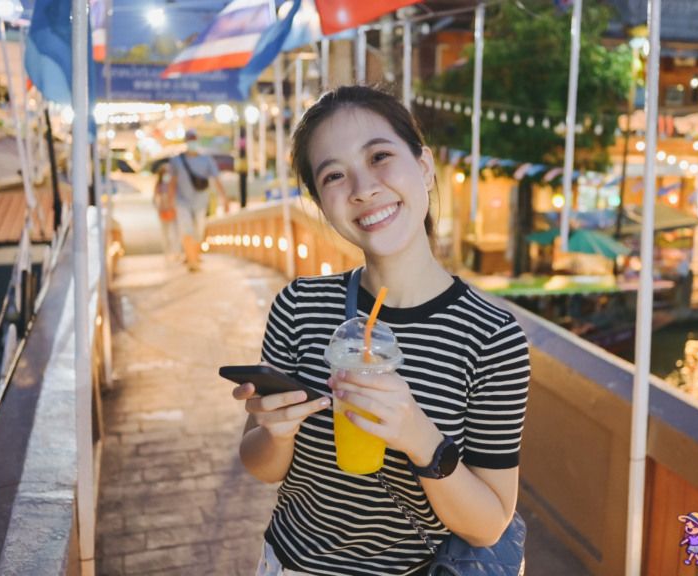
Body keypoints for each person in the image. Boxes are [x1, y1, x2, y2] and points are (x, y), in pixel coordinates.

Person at [232, 85, 530, 576]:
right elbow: (261, 464)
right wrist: (276, 433)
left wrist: (420, 438)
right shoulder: (300, 305)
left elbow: (489, 525)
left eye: (380, 156)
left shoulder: (491, 337)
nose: (363, 187)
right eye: (333, 175)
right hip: (292, 564)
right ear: (321, 204)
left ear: (425, 166)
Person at [168, 130, 231, 270]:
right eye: (190, 139)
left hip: (201, 202)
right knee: (186, 230)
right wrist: (169, 202)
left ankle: (194, 256)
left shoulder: (206, 160)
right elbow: (172, 182)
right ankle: (192, 261)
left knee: (199, 232)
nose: (192, 141)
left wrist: (225, 199)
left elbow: (217, 179)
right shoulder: (176, 160)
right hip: (182, 201)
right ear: (186, 141)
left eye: (194, 138)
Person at [152, 164, 180, 260]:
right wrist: (160, 208)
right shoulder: (159, 186)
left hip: (173, 210)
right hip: (163, 211)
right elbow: (155, 199)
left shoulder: (173, 185)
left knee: (176, 232)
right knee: (165, 233)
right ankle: (167, 252)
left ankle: (176, 251)